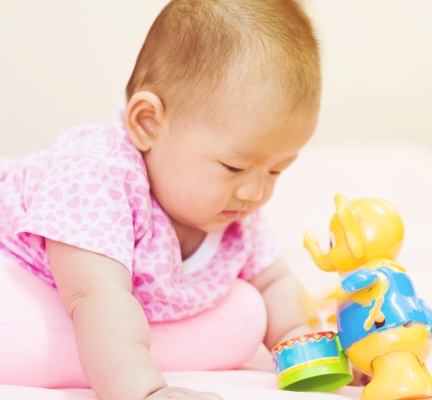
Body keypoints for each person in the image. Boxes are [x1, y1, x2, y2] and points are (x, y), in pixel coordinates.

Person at [0, 1, 334, 398]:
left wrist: (316, 352)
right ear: (148, 124)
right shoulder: (97, 177)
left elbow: (275, 281)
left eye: (276, 170)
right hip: (21, 265)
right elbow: (97, 297)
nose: (256, 193)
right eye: (233, 167)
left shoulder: (234, 210)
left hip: (101, 309)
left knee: (249, 310)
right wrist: (145, 391)